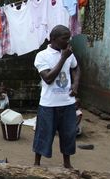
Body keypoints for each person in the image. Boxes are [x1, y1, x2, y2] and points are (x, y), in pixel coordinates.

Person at [32, 25, 80, 169]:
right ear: (53, 39)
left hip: (67, 102)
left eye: (69, 38)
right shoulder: (42, 56)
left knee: (69, 134)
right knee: (44, 134)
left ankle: (67, 163)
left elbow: (76, 68)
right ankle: (36, 163)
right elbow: (48, 78)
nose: (68, 41)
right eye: (64, 38)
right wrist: (63, 58)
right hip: (48, 104)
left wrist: (76, 84)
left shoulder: (68, 53)